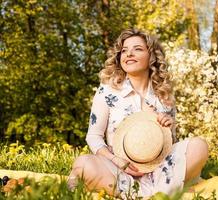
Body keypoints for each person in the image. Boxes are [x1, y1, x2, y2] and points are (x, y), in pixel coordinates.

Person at [67, 29, 209, 198]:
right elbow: (93, 136)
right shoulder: (107, 91)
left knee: (199, 145)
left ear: (152, 56)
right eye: (124, 50)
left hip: (160, 172)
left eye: (137, 49)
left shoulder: (164, 95)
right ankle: (145, 195)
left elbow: (170, 147)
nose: (129, 54)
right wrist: (116, 161)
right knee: (83, 163)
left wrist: (169, 127)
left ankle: (157, 194)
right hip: (118, 170)